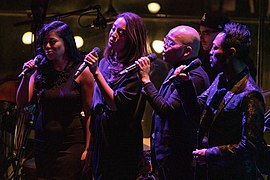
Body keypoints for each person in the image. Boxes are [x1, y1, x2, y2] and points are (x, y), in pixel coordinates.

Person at [173, 22, 265, 179]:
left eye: (215, 48)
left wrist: (210, 154)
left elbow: (249, 146)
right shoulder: (220, 79)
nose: (210, 52)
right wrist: (185, 84)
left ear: (231, 53)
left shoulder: (250, 94)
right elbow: (197, 111)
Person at [16, 21, 94, 179]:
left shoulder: (81, 71)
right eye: (44, 43)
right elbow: (22, 102)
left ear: (66, 42)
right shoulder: (40, 70)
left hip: (70, 143)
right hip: (44, 142)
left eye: (52, 42)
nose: (47, 46)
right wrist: (26, 76)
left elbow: (90, 112)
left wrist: (88, 149)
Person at [135, 25, 210, 179]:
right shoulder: (176, 68)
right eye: (165, 41)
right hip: (164, 160)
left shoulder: (194, 76)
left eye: (170, 43)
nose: (165, 46)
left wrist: (146, 80)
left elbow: (166, 110)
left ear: (187, 51)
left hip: (177, 161)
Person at [84, 12, 148, 179]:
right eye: (113, 29)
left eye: (121, 33)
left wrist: (96, 73)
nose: (113, 35)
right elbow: (95, 106)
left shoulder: (135, 71)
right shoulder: (106, 62)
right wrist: (89, 148)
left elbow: (115, 104)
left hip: (120, 143)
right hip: (101, 139)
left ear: (132, 38)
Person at [198, 12, 229, 83]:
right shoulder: (201, 56)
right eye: (200, 32)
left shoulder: (230, 63)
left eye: (206, 33)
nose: (201, 37)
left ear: (222, 34)